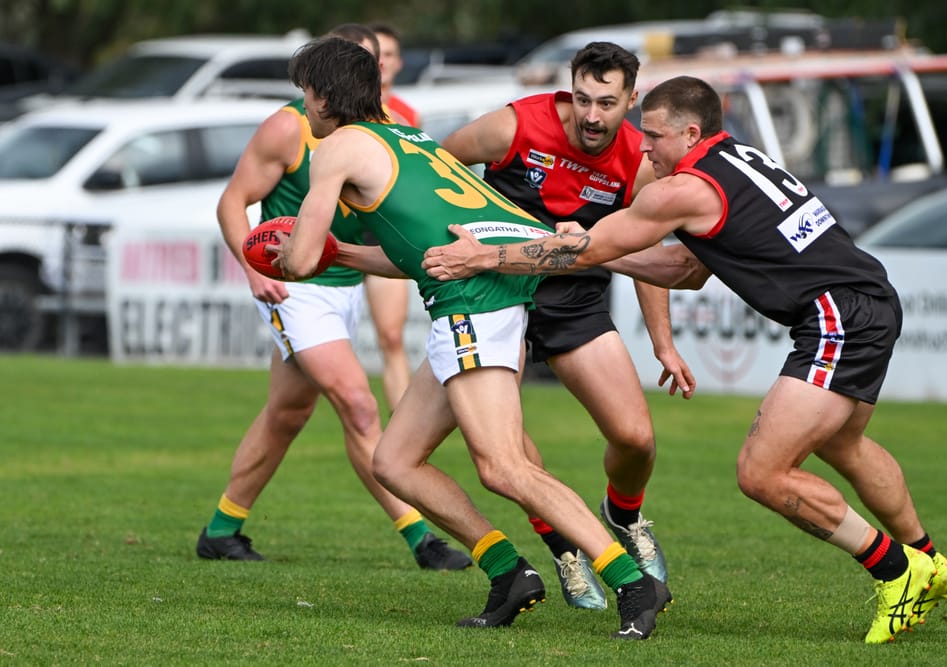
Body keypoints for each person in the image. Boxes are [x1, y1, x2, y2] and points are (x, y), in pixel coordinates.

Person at [421, 75, 947, 644]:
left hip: (836, 316)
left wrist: (483, 256)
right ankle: (930, 558)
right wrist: (610, 255)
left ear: (690, 131)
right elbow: (686, 269)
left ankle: (899, 570)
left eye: (653, 137)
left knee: (763, 472)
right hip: (865, 301)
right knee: (844, 445)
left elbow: (587, 248)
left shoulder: (681, 189)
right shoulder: (738, 158)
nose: (645, 148)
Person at [273, 35, 671, 639]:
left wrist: (279, 251)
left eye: (305, 95)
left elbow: (300, 262)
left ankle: (631, 582)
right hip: (487, 286)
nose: (304, 110)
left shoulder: (335, 149)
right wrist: (346, 251)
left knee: (504, 465)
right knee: (396, 461)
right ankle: (510, 573)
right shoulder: (406, 137)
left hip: (473, 300)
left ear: (325, 98)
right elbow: (421, 254)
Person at [196, 23, 471, 572]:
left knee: (287, 413)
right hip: (293, 289)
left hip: (343, 284)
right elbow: (233, 202)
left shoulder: (394, 129)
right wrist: (253, 275)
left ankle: (222, 529)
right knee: (359, 403)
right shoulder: (288, 128)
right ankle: (421, 538)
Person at [438, 41, 694, 610]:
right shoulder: (512, 126)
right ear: (569, 91)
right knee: (507, 449)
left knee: (635, 438)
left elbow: (647, 252)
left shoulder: (637, 159)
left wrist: (663, 344)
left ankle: (623, 515)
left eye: (607, 102)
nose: (592, 115)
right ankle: (564, 548)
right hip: (493, 291)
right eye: (582, 99)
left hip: (574, 293)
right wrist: (458, 242)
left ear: (631, 99)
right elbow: (434, 170)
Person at [357, 21, 419, 412]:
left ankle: (403, 431)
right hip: (338, 229)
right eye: (373, 55)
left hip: (379, 234)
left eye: (389, 55)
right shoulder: (334, 110)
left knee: (392, 337)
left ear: (398, 64)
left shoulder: (408, 115)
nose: (381, 63)